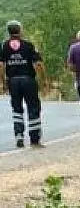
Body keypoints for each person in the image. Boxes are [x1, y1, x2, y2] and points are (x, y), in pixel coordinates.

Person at [0, 20, 46, 148]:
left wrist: (3, 82)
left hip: (13, 81)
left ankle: (19, 135)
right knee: (33, 107)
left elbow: (1, 65)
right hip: (28, 80)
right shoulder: (29, 45)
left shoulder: (3, 46)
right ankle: (34, 139)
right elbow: (38, 64)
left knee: (17, 108)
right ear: (20, 30)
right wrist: (43, 80)